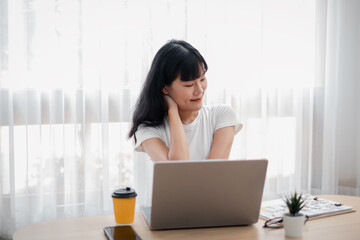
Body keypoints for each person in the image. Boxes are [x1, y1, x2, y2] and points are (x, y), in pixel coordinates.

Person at [128, 40, 242, 161]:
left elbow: (214, 175)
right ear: (165, 88)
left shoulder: (222, 116)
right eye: (189, 85)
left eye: (202, 79)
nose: (200, 90)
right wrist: (172, 111)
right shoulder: (148, 129)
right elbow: (177, 170)